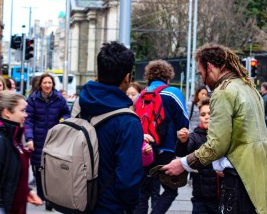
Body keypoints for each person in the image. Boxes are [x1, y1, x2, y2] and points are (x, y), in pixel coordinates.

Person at [162, 43, 267, 214]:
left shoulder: (223, 92)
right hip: (261, 174)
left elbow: (217, 144)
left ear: (209, 66)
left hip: (240, 178)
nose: (202, 80)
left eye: (201, 73)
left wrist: (183, 164)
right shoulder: (248, 88)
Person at [78, 41, 144, 214]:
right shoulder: (128, 122)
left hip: (79, 199)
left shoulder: (81, 104)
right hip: (111, 206)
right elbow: (128, 180)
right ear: (127, 77)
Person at [134, 59, 189, 214]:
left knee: (144, 191)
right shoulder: (173, 93)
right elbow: (183, 122)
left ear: (148, 77)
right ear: (168, 76)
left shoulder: (141, 96)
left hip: (145, 150)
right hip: (166, 150)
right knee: (171, 190)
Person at [24, 73, 71, 210]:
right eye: (45, 83)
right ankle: (40, 194)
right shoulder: (33, 99)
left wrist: (62, 121)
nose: (47, 85)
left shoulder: (59, 98)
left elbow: (66, 113)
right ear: (40, 85)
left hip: (53, 139)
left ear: (53, 85)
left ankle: (50, 198)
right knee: (38, 169)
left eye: (50, 83)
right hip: (37, 140)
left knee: (51, 169)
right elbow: (29, 120)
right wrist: (30, 138)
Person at [0, 91, 43, 214]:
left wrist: (27, 191)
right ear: (7, 112)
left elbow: (11, 175)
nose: (26, 115)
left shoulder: (14, 137)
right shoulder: (3, 140)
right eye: (22, 110)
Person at [176, 97, 220, 214]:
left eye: (210, 113)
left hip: (222, 196)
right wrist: (183, 141)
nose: (206, 117)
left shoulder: (224, 135)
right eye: (203, 114)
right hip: (201, 196)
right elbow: (182, 152)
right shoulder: (195, 136)